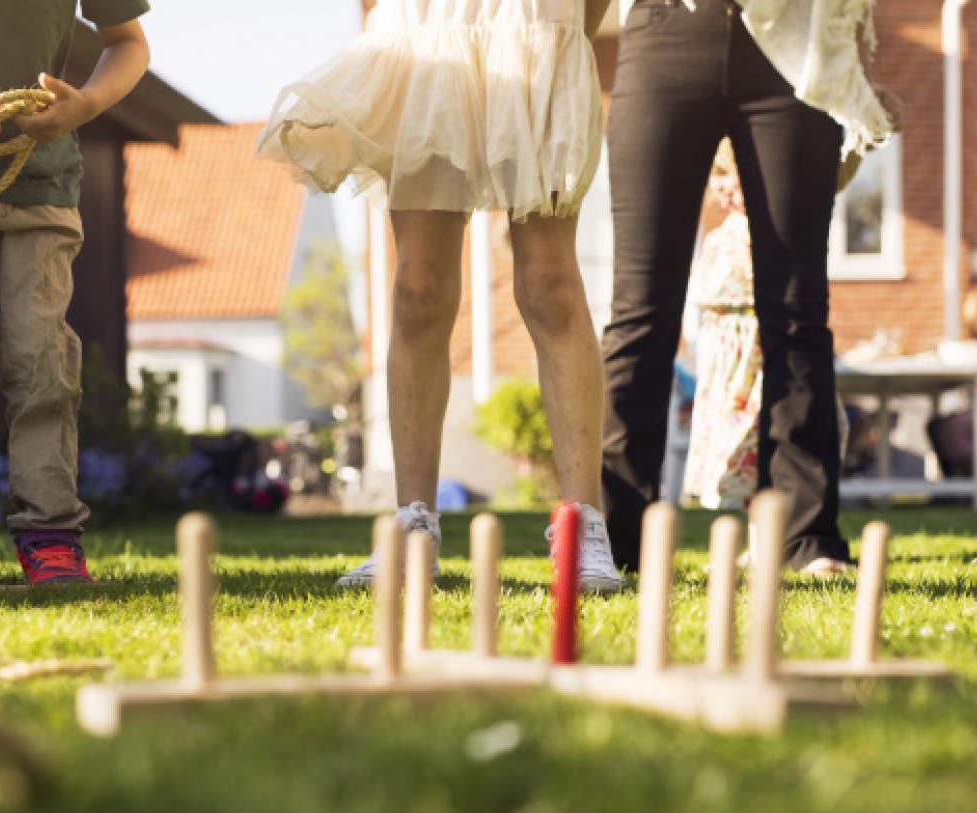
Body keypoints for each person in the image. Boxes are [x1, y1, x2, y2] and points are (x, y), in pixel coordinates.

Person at [259, 0, 624, 593]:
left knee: (550, 283)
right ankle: (413, 527)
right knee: (418, 288)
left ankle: (585, 527)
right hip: (429, 39)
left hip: (538, 30)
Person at [602, 0, 894, 573]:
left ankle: (804, 538)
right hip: (666, 33)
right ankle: (614, 539)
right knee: (639, 311)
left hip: (793, 41)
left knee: (795, 308)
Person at [0, 0, 151, 590]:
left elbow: (130, 44)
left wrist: (84, 104)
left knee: (43, 358)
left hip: (41, 182)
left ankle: (52, 532)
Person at [682, 141, 850, 564]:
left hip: (761, 357)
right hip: (729, 367)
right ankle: (761, 540)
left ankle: (784, 536)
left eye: (729, 174)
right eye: (715, 176)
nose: (721, 187)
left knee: (771, 438)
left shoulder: (776, 227)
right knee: (743, 450)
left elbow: (833, 176)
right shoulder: (722, 234)